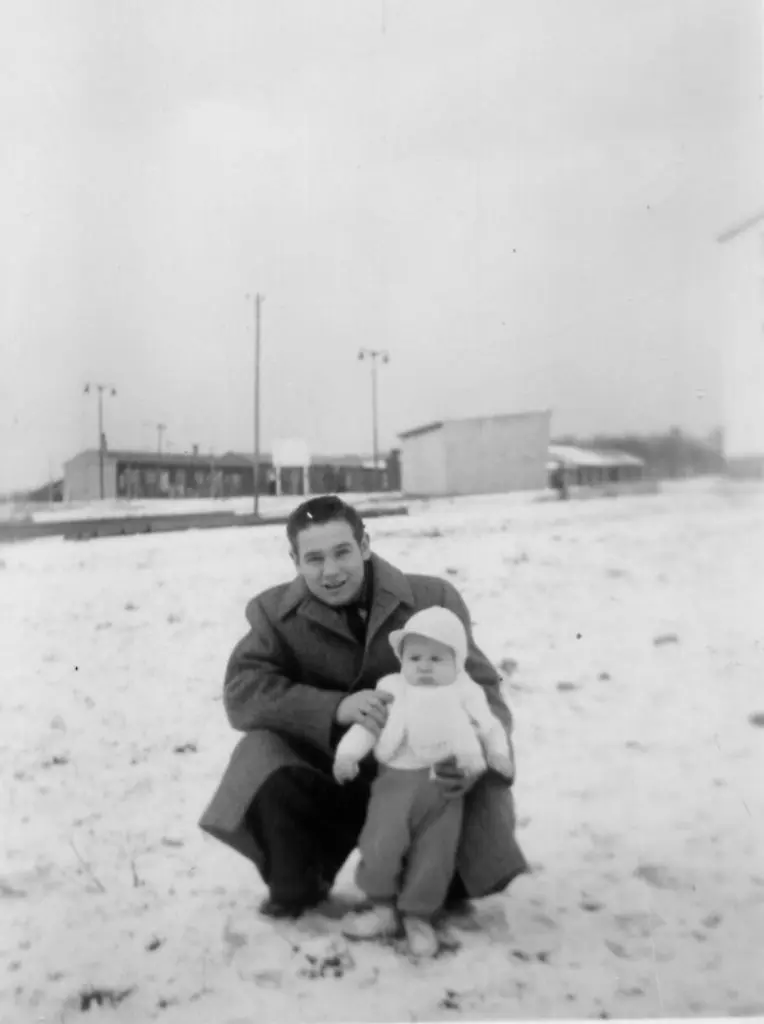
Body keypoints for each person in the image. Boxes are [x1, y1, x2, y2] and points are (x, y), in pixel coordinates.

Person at [198, 494, 528, 920]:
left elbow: (483, 688)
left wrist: (469, 755)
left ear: (365, 545)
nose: (331, 571)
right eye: (314, 558)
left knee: (447, 892)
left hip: (422, 777)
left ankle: (439, 875)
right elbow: (243, 693)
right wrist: (334, 708)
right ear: (294, 560)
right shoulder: (272, 613)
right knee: (260, 749)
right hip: (332, 776)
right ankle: (300, 875)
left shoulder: (433, 598)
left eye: (342, 552)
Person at [333, 605, 515, 957]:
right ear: (402, 660)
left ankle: (419, 914)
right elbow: (367, 727)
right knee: (380, 845)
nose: (425, 666)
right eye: (415, 657)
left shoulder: (465, 692)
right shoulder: (391, 689)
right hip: (395, 785)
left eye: (436, 658)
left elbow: (490, 726)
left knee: (435, 854)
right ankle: (382, 907)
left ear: (457, 662)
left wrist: (497, 753)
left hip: (444, 785)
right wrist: (348, 755)